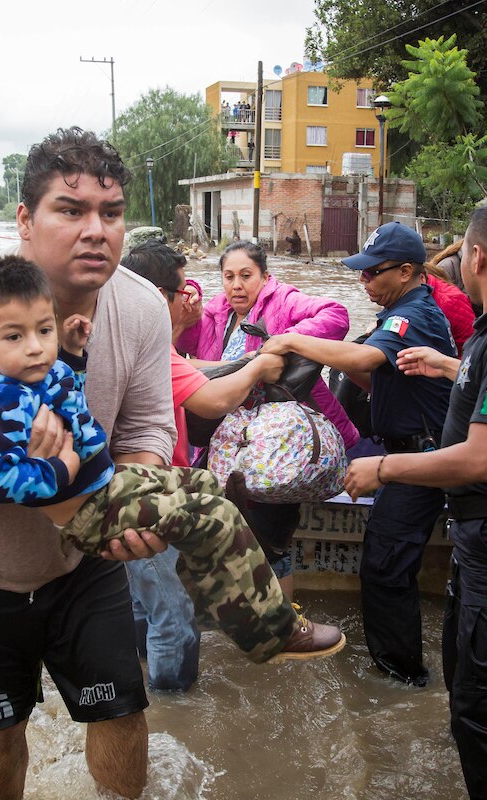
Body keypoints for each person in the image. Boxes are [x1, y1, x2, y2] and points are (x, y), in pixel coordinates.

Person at [0, 128, 181, 799]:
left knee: (122, 709)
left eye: (111, 214)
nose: (96, 231)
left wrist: (130, 498)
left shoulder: (140, 308)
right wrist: (14, 474)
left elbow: (148, 426)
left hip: (80, 558)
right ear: (25, 222)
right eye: (70, 210)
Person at [0, 255, 341, 667]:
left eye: (43, 330)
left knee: (206, 485)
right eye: (14, 337)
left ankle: (222, 599)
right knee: (212, 516)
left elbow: (67, 403)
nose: (35, 348)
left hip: (107, 483)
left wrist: (70, 353)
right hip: (88, 511)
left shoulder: (32, 372)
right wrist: (61, 468)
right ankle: (270, 631)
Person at [346, 198, 487, 799]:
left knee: (480, 713)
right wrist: (451, 367)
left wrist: (385, 469)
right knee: (469, 690)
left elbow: (482, 458)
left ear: (475, 255)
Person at [262, 221, 457, 687]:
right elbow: (381, 379)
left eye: (372, 273)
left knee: (386, 567)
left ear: (406, 271)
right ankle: (397, 667)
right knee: (386, 563)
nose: (363, 281)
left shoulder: (413, 313)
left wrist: (290, 340)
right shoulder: (405, 311)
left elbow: (366, 362)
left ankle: (401, 677)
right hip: (412, 451)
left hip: (420, 457)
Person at [118, 240, 293, 692]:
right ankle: (174, 709)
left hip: (128, 492)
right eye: (181, 291)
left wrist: (242, 358)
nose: (192, 299)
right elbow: (212, 399)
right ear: (159, 297)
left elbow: (195, 369)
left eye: (244, 276)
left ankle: (144, 679)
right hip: (150, 494)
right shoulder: (149, 347)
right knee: (175, 614)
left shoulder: (129, 335)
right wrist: (257, 368)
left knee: (143, 600)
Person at [177, 240, 358, 600]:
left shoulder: (283, 301)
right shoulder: (217, 312)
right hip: (230, 440)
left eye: (246, 276)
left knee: (272, 538)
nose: (236, 285)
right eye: (228, 277)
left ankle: (285, 625)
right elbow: (182, 337)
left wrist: (285, 342)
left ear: (265, 277)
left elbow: (337, 315)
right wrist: (190, 298)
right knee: (234, 530)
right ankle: (250, 618)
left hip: (278, 442)